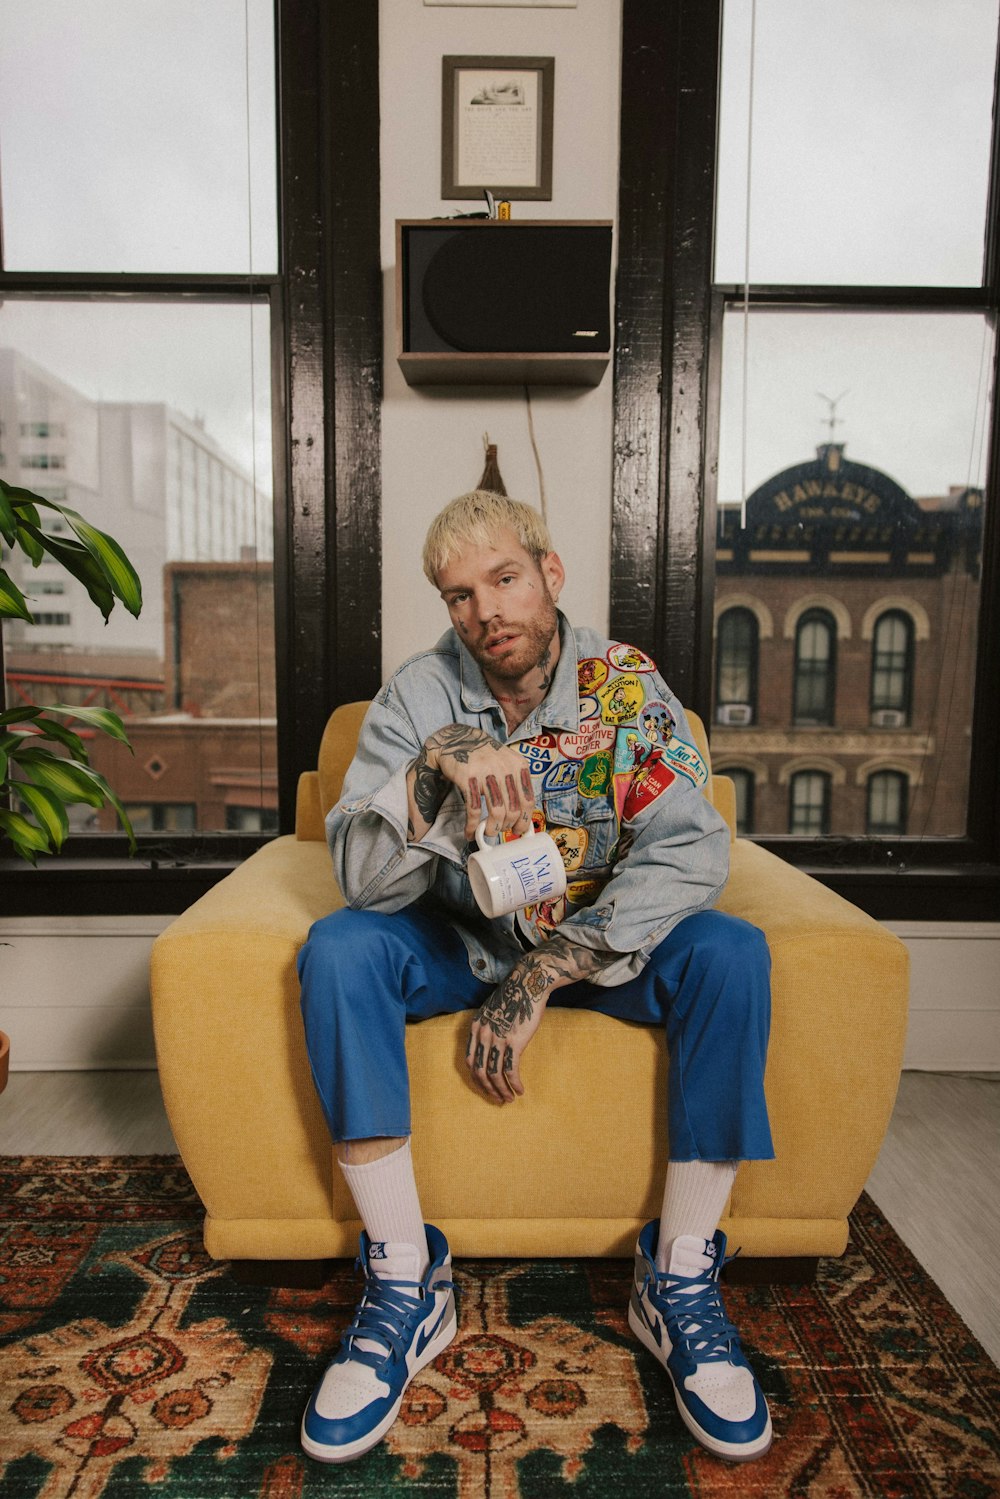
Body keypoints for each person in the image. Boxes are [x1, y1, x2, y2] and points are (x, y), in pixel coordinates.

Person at [297, 491, 775, 1466]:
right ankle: (401, 1276)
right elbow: (360, 877)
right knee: (338, 945)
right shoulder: (417, 697)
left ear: (550, 575)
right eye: (459, 594)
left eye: (504, 578)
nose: (485, 611)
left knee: (731, 952)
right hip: (460, 940)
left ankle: (678, 1274)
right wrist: (431, 771)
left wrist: (549, 969)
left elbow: (689, 852)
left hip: (599, 948)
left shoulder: (624, 686)